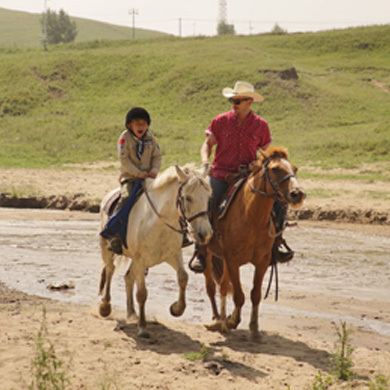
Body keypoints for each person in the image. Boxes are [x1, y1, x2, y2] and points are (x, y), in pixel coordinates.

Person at [189, 81, 294, 272]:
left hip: (248, 175)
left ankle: (276, 243)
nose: (234, 105)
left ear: (249, 102)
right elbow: (208, 144)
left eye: (238, 101)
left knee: (278, 201)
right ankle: (200, 251)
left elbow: (265, 152)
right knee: (207, 202)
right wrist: (206, 162)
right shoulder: (220, 121)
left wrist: (259, 164)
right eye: (233, 101)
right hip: (221, 173)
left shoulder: (261, 126)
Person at [107, 107, 162, 254]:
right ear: (129, 125)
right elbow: (124, 160)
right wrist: (138, 173)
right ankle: (115, 233)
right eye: (137, 123)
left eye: (144, 123)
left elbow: (157, 157)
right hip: (131, 178)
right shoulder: (124, 138)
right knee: (126, 197)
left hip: (149, 179)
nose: (141, 126)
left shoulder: (151, 138)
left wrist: (154, 171)